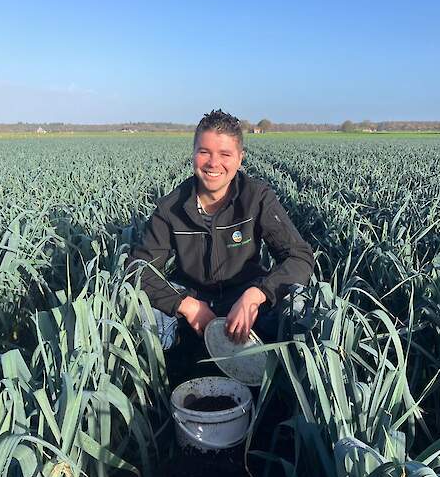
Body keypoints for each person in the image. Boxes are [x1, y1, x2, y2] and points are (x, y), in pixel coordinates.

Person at [127, 109, 314, 349]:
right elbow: (138, 269)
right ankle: (163, 375)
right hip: (193, 297)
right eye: (204, 152)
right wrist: (186, 304)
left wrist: (256, 295)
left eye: (225, 154)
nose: (214, 163)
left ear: (240, 158)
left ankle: (283, 375)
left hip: (245, 295)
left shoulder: (257, 197)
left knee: (299, 302)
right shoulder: (170, 207)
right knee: (143, 309)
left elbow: (299, 256)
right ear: (193, 154)